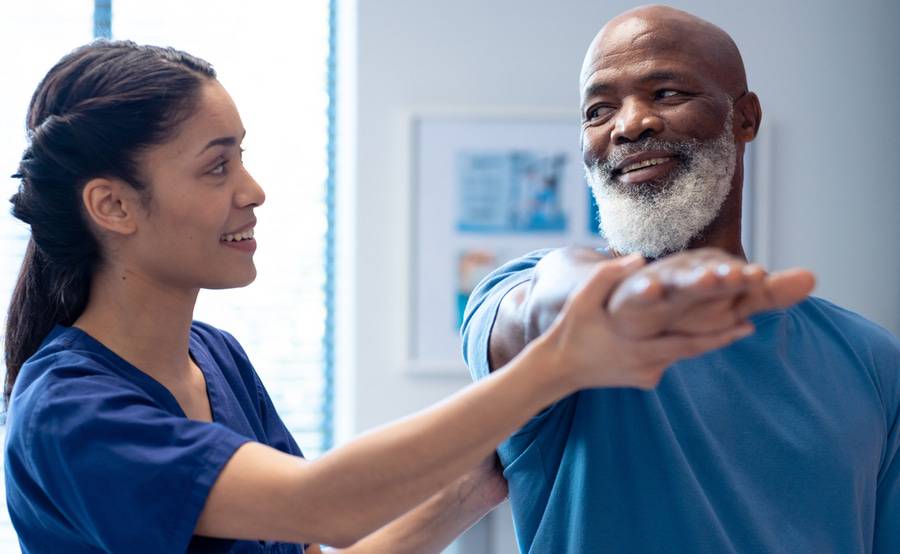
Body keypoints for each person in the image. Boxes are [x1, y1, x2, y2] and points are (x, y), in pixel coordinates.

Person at [1, 40, 765, 554]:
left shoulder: (214, 359)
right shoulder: (69, 410)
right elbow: (322, 505)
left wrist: (477, 484)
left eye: (245, 158)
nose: (253, 191)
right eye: (215, 167)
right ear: (113, 206)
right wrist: (556, 365)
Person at [462, 5, 900, 553]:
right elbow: (539, 309)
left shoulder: (872, 360)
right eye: (599, 110)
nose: (629, 124)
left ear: (746, 118)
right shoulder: (529, 301)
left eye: (666, 93)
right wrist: (605, 298)